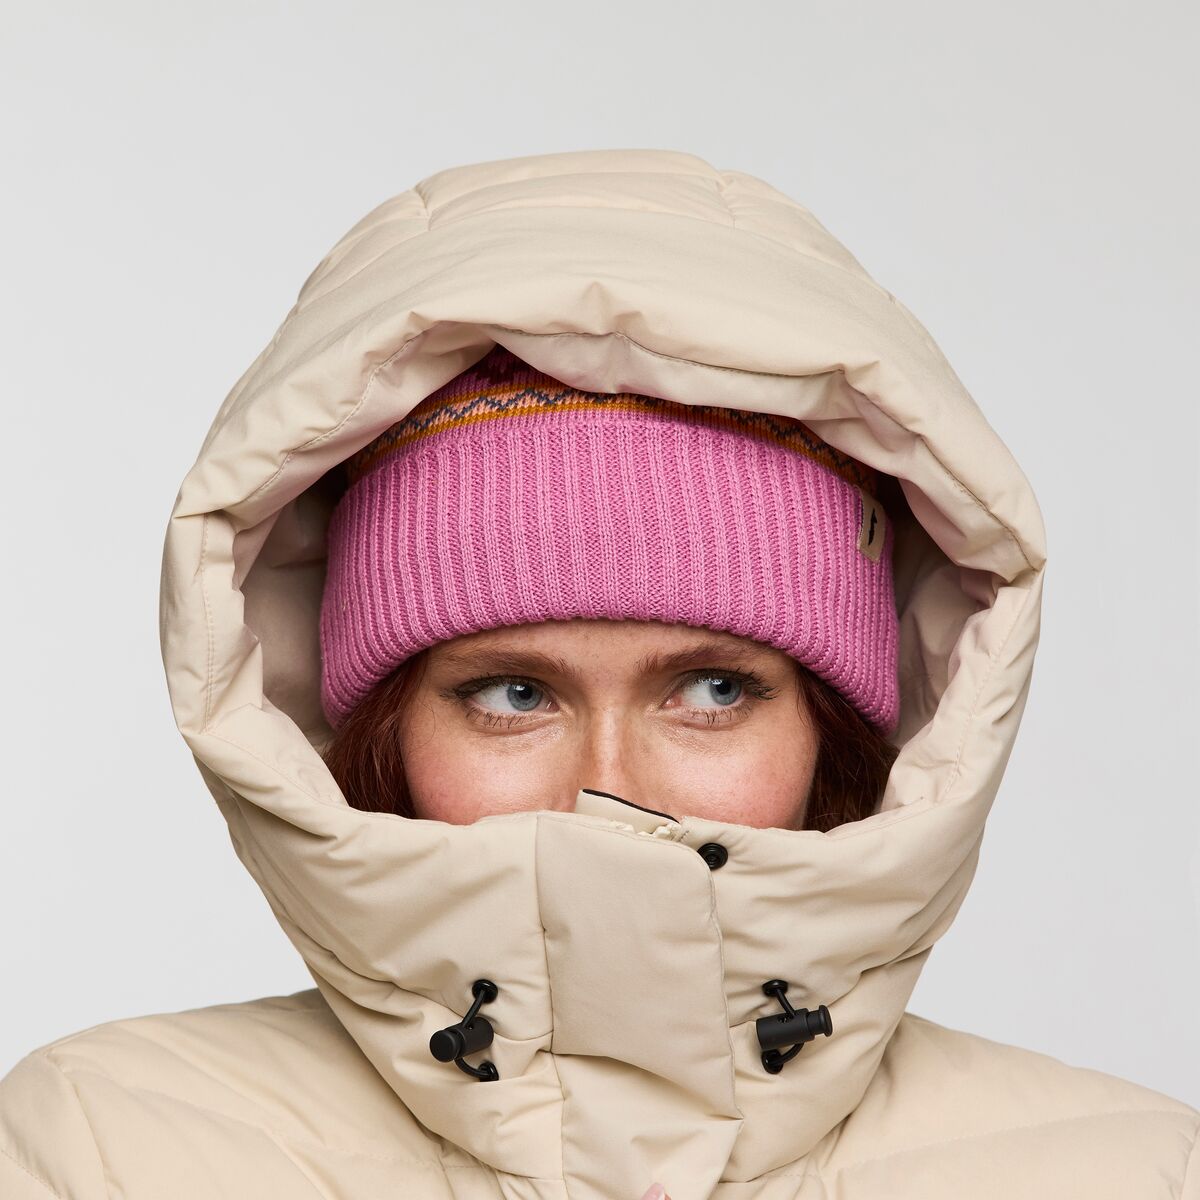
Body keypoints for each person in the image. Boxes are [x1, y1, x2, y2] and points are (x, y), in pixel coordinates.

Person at [0, 147, 1195, 1200]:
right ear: (377, 733)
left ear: (836, 730)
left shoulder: (1136, 1176)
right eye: (512, 694)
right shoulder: (109, 1155)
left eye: (715, 690)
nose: (608, 788)